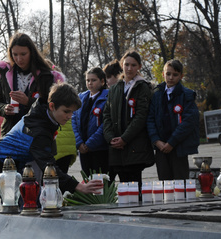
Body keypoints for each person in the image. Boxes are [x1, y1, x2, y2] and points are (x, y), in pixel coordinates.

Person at [0, 83, 103, 195]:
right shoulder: (38, 129)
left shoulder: (45, 115)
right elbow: (48, 165)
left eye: (72, 112)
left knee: (33, 194)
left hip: (20, 159)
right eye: (66, 111)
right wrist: (78, 186)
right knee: (18, 198)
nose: (70, 116)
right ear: (52, 106)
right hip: (1, 159)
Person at [103, 50, 154, 188]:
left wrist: (125, 138)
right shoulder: (115, 88)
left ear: (139, 67)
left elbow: (141, 116)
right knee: (123, 187)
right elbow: (106, 114)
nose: (129, 68)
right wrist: (110, 138)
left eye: (133, 65)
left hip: (134, 146)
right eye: (126, 65)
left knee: (134, 185)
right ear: (122, 65)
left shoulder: (142, 87)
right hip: (116, 147)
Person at [0, 32, 54, 137]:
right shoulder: (4, 74)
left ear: (32, 52)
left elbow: (52, 106)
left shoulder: (45, 75)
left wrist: (28, 102)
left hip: (37, 136)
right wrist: (4, 108)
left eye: (23, 54)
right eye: (15, 54)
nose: (19, 59)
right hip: (10, 134)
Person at [147, 59, 199, 180]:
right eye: (168, 74)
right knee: (165, 183)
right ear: (163, 74)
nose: (171, 77)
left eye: (175, 75)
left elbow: (189, 121)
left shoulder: (187, 95)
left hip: (178, 146)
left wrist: (172, 142)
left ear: (181, 76)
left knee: (181, 182)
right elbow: (150, 119)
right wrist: (156, 140)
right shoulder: (156, 95)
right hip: (160, 147)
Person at [72, 67, 109, 177]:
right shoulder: (81, 97)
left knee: (100, 180)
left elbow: (105, 124)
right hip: (83, 149)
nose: (90, 83)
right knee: (87, 179)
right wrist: (79, 143)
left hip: (100, 148)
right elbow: (74, 120)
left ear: (102, 81)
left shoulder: (107, 97)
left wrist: (90, 144)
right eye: (88, 80)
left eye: (93, 80)